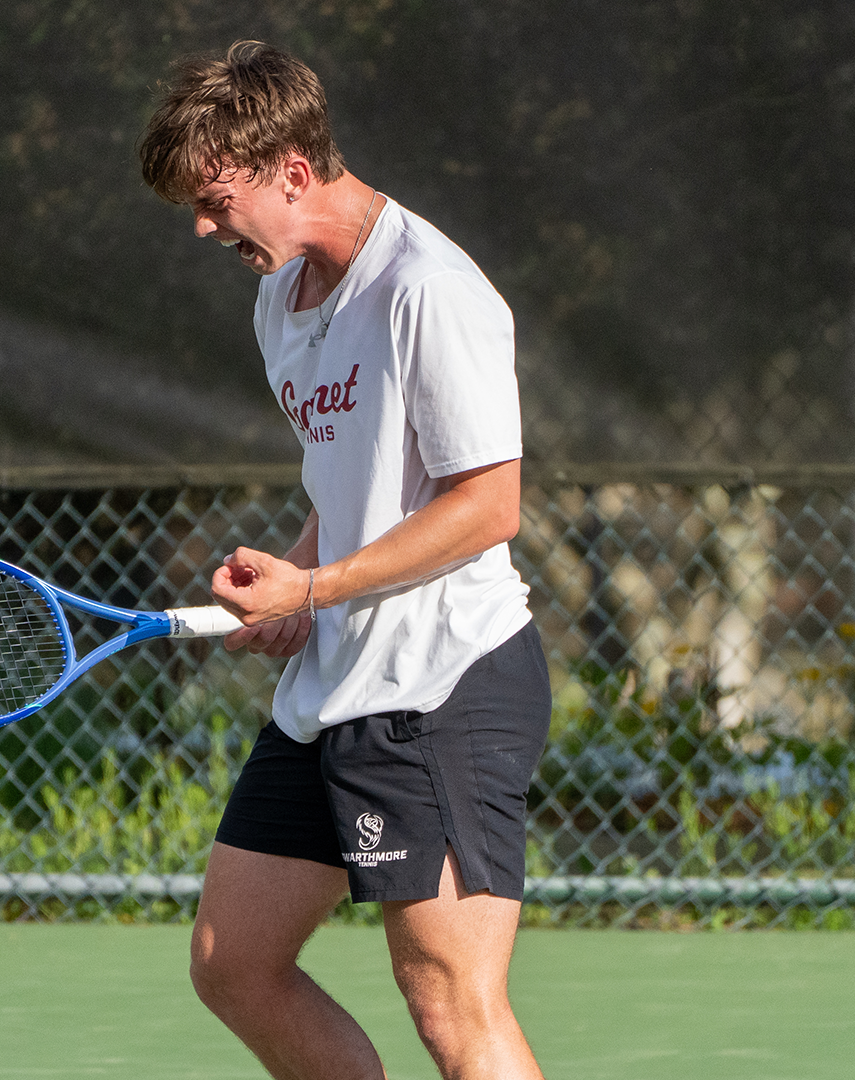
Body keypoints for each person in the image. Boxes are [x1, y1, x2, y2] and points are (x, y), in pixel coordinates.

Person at [140, 41, 551, 1080]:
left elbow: (487, 504)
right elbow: (358, 485)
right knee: (234, 963)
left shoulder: (430, 290)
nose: (201, 226)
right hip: (335, 684)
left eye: (214, 197)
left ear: (288, 167)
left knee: (453, 1007)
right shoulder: (282, 299)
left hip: (443, 684)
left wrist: (318, 589)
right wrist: (295, 586)